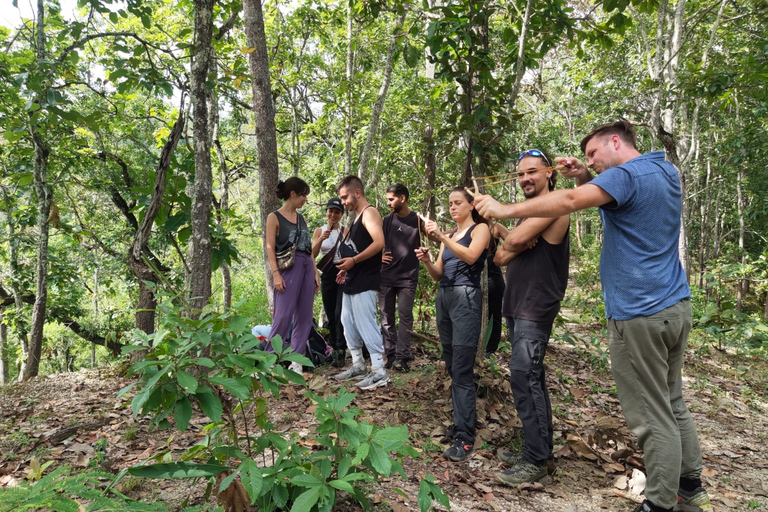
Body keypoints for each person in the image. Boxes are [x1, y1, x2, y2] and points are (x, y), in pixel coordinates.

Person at [474, 121, 711, 512]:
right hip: (673, 305)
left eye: (592, 155)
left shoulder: (626, 175)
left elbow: (568, 202)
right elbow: (611, 193)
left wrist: (505, 209)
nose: (589, 163)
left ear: (615, 142)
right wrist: (586, 175)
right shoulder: (662, 170)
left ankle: (660, 503)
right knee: (672, 401)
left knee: (652, 413)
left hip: (641, 313)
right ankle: (689, 485)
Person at [490, 149, 570, 487]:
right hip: (519, 301)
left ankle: (536, 460)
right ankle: (538, 450)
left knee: (525, 375)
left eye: (532, 172)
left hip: (536, 304)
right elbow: (499, 258)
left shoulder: (556, 205)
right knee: (528, 377)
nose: (525, 178)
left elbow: (515, 241)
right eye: (520, 174)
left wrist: (509, 235)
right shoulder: (529, 213)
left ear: (550, 173)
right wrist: (511, 238)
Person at [416, 187, 490, 462]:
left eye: (458, 202)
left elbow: (471, 257)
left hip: (465, 297)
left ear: (471, 205)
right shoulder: (448, 237)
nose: (453, 207)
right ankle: (461, 422)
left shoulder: (479, 230)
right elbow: (438, 274)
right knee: (451, 361)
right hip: (445, 297)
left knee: (461, 365)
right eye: (450, 203)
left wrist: (442, 240)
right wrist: (426, 260)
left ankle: (465, 437)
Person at [333, 175, 389, 390]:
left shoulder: (370, 213)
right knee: (348, 321)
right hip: (353, 277)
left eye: (345, 197)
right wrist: (348, 268)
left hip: (367, 279)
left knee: (366, 322)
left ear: (357, 193)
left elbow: (379, 243)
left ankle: (379, 371)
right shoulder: (356, 218)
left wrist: (354, 261)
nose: (343, 202)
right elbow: (359, 248)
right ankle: (358, 364)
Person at [265, 177, 320, 374]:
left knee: (305, 316)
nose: (306, 199)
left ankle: (296, 362)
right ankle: (269, 360)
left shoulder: (302, 219)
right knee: (283, 315)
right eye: (304, 195)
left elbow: (308, 250)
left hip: (306, 265)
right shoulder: (274, 217)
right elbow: (270, 247)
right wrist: (276, 274)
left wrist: (315, 273)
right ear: (293, 194)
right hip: (288, 268)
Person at [380, 184, 421, 371]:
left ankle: (402, 357)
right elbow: (371, 240)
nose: (388, 202)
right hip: (386, 275)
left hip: (408, 277)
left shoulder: (417, 221)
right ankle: (390, 354)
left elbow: (436, 237)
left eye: (391, 199)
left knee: (405, 316)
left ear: (402, 198)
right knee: (386, 316)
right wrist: (377, 258)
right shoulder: (386, 221)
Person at [312, 197, 347, 367]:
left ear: (341, 214)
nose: (333, 214)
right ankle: (334, 350)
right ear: (326, 212)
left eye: (337, 212)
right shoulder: (319, 230)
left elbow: (352, 252)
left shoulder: (346, 231)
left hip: (343, 272)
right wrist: (320, 239)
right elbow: (312, 254)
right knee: (330, 312)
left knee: (340, 312)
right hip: (327, 273)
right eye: (331, 211)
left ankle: (342, 349)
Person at [484, 222, 509, 356]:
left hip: (493, 278)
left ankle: (490, 350)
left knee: (494, 315)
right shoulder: (469, 225)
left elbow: (514, 241)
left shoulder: (495, 227)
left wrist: (501, 255)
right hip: (474, 279)